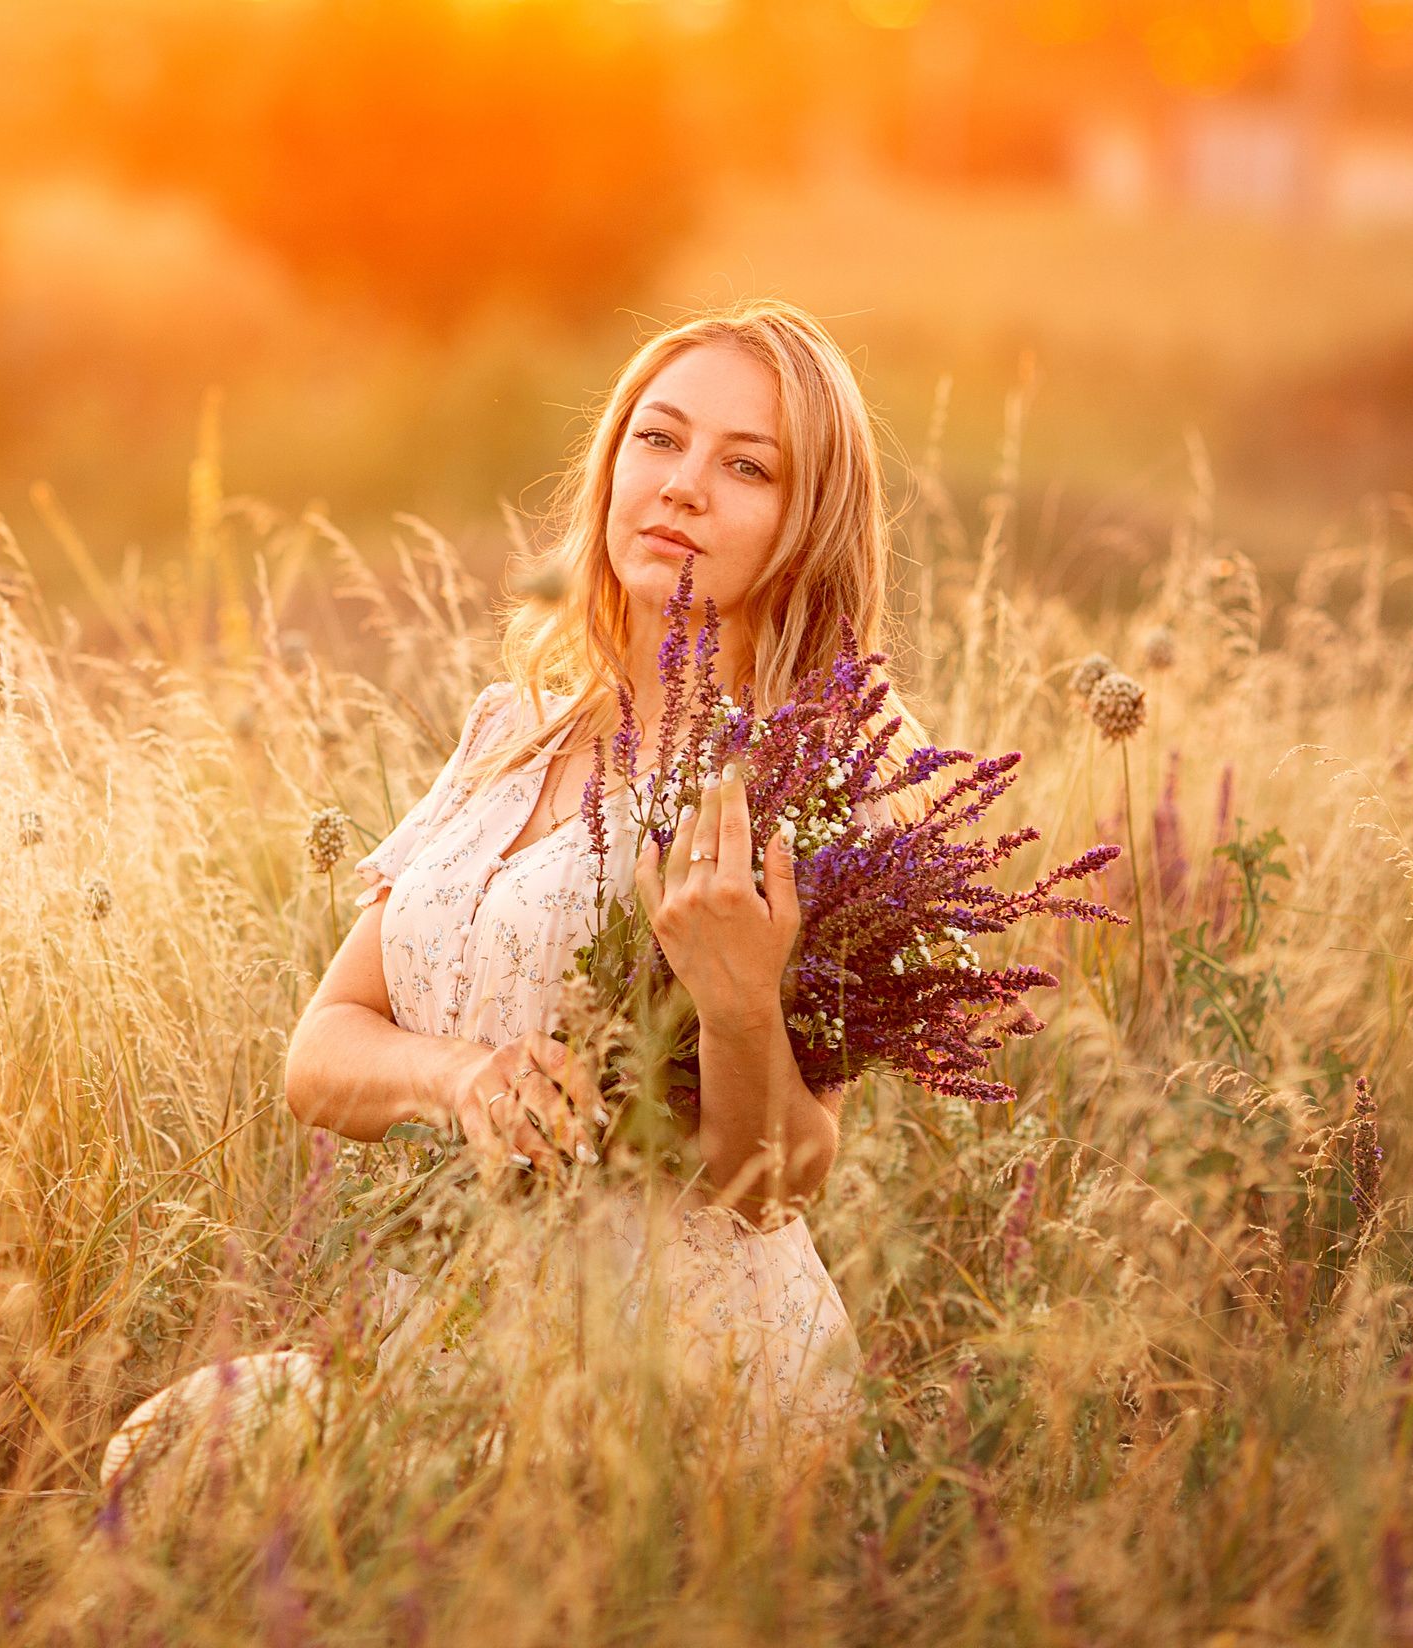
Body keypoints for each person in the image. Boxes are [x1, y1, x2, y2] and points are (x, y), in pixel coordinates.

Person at [97, 300, 922, 1516]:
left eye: (747, 466)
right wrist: (461, 1078)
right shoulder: (509, 727)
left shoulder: (817, 777)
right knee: (160, 1460)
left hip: (679, 1377)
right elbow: (319, 1052)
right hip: (444, 1340)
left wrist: (739, 1003)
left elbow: (772, 1188)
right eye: (658, 439)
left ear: (807, 525)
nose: (682, 485)